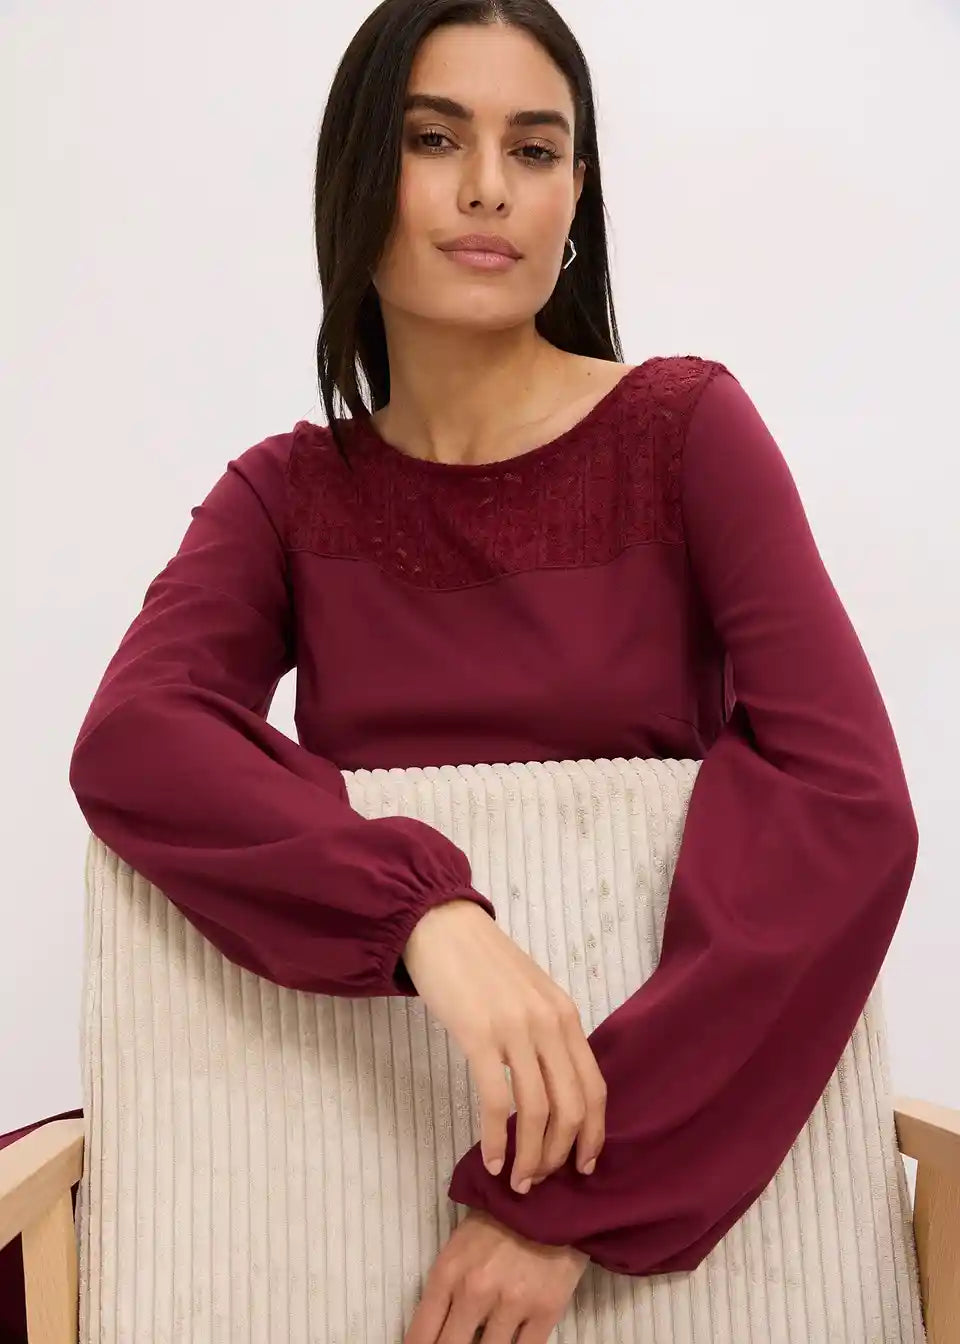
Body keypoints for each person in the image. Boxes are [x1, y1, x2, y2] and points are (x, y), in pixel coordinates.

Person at [65, 0, 919, 1340]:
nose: (487, 189)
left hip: (678, 1204)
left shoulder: (687, 432)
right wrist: (430, 918)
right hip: (360, 1174)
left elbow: (847, 804)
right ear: (359, 174)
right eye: (433, 139)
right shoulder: (287, 495)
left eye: (533, 149)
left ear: (576, 194)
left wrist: (564, 1200)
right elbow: (137, 740)